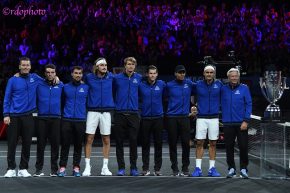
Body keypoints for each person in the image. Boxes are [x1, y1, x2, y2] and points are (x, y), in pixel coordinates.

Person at [3, 57, 42, 177]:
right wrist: (6, 114)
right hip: (14, 116)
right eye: (23, 65)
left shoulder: (35, 78)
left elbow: (48, 80)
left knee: (27, 143)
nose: (25, 67)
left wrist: (56, 78)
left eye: (27, 65)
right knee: (12, 143)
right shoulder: (12, 80)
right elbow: (7, 97)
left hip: (28, 116)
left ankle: (23, 168)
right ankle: (11, 168)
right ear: (19, 66)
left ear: (30, 67)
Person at [82, 58, 114, 176]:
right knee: (89, 139)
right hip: (92, 111)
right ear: (96, 67)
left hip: (106, 112)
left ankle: (105, 167)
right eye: (102, 65)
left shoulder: (111, 77)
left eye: (105, 65)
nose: (104, 67)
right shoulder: (89, 77)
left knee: (106, 139)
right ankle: (87, 167)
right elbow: (79, 82)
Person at [191, 65, 223, 177]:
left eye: (211, 72)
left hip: (214, 118)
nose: (209, 74)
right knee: (199, 142)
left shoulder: (219, 84)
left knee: (213, 143)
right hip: (201, 118)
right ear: (203, 73)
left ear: (214, 74)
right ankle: (198, 168)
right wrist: (193, 105)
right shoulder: (198, 85)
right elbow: (190, 96)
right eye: (207, 72)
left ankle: (212, 169)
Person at [221, 68, 252, 179]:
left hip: (241, 123)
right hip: (228, 123)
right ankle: (231, 169)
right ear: (228, 77)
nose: (234, 78)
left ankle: (243, 168)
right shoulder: (223, 89)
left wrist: (246, 120)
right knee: (229, 147)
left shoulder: (244, 88)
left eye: (236, 76)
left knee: (243, 146)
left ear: (238, 77)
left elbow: (248, 104)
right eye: (232, 76)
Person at [58, 66, 89, 177]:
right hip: (67, 119)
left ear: (82, 75)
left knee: (78, 145)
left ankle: (76, 167)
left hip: (80, 120)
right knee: (65, 145)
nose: (78, 75)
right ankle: (62, 167)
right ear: (72, 74)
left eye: (80, 73)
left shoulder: (86, 87)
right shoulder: (65, 87)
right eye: (76, 73)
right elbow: (61, 102)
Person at [34, 64, 64, 177]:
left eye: (52, 72)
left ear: (55, 73)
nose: (50, 74)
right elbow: (31, 75)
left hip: (56, 118)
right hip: (42, 118)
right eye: (48, 72)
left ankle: (54, 170)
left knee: (55, 145)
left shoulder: (61, 85)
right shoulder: (39, 83)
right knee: (40, 145)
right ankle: (38, 169)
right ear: (45, 73)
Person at [113, 57, 142, 176]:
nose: (130, 66)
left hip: (134, 115)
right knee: (119, 142)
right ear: (124, 66)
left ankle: (134, 167)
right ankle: (121, 168)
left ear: (135, 66)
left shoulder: (139, 78)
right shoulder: (117, 78)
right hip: (120, 114)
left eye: (133, 64)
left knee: (133, 142)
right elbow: (111, 90)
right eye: (128, 64)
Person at [165, 65, 194, 176]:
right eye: (179, 72)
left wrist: (194, 106)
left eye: (183, 72)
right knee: (172, 144)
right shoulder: (169, 85)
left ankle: (185, 168)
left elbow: (201, 93)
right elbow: (161, 97)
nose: (182, 74)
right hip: (172, 118)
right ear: (175, 73)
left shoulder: (189, 84)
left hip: (185, 118)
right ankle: (175, 168)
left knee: (186, 144)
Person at [138, 65, 166, 176]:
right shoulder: (141, 86)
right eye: (150, 73)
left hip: (158, 118)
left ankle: (157, 168)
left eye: (154, 73)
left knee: (158, 144)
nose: (152, 75)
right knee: (145, 145)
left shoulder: (162, 84)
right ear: (147, 74)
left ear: (157, 74)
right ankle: (145, 168)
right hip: (145, 119)